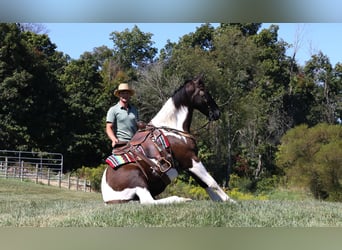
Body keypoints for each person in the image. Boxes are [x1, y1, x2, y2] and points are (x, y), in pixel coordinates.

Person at [106, 83, 139, 148]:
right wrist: (113, 139)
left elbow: (137, 127)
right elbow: (108, 127)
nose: (125, 95)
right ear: (119, 95)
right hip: (121, 143)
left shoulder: (134, 110)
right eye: (123, 93)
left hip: (134, 144)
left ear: (129, 95)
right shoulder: (113, 110)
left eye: (127, 93)